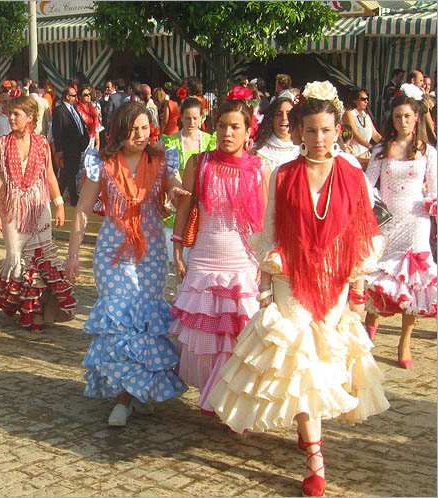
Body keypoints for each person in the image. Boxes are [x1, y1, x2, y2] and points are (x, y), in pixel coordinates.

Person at [207, 81, 389, 497]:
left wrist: (359, 295)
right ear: (298, 130)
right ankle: (314, 459)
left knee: (325, 365)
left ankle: (312, 444)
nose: (319, 139)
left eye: (326, 130)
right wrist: (267, 287)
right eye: (311, 131)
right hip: (291, 281)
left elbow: (361, 235)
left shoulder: (353, 173)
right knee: (300, 364)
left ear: (338, 129)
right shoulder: (285, 173)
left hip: (336, 282)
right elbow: (269, 230)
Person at [65, 101, 189, 426]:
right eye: (133, 128)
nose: (139, 134)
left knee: (146, 319)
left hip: (150, 250)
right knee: (120, 317)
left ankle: (138, 390)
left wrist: (175, 191)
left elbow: (173, 182)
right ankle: (123, 397)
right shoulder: (103, 163)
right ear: (119, 130)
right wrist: (73, 253)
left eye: (145, 128)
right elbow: (82, 210)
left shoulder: (161, 159)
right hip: (112, 250)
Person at [169, 96, 269, 415]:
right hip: (204, 260)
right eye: (223, 125)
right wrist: (178, 251)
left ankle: (230, 402)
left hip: (243, 263)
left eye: (235, 127)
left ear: (248, 131)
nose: (228, 133)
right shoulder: (198, 163)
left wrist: (267, 265)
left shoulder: (259, 168)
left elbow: (267, 221)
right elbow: (184, 209)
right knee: (207, 337)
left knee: (239, 337)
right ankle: (216, 398)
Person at [0, 96, 76, 331]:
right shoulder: (1, 144)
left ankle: (37, 312)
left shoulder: (42, 143)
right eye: (10, 113)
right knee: (17, 260)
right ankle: (23, 307)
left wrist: (58, 204)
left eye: (17, 114)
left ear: (30, 117)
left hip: (39, 209)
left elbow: (49, 174)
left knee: (42, 260)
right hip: (11, 210)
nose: (12, 118)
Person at [364, 84, 437, 367]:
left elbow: (433, 187)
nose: (402, 121)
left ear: (416, 117)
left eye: (406, 116)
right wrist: (375, 204)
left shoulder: (428, 152)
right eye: (397, 116)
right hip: (387, 221)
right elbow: (367, 185)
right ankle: (369, 330)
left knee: (413, 281)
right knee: (379, 277)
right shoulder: (381, 150)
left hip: (417, 221)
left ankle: (405, 340)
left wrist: (433, 202)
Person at [161, 97, 217, 261]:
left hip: (203, 204)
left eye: (195, 118)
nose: (191, 122)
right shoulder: (171, 142)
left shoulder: (210, 141)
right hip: (178, 202)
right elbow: (169, 171)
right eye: (187, 118)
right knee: (173, 260)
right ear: (181, 118)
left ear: (201, 117)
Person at [52, 87, 90, 206]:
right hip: (67, 148)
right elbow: (57, 131)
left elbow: (80, 126)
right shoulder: (60, 110)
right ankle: (73, 198)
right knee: (70, 173)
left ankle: (57, 196)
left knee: (66, 174)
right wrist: (59, 150)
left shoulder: (74, 109)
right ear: (67, 96)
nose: (76, 98)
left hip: (76, 147)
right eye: (73, 96)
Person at [252, 97, 300, 171]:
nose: (284, 118)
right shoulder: (256, 150)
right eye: (278, 114)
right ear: (272, 119)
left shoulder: (303, 151)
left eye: (289, 113)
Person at [342, 88, 382, 165]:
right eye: (363, 99)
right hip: (355, 156)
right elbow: (355, 135)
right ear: (354, 100)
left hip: (366, 155)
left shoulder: (366, 115)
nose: (366, 101)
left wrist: (388, 143)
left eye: (367, 99)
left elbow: (375, 135)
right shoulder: (349, 114)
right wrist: (371, 147)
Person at [76, 85, 100, 151]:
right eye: (86, 95)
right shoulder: (77, 110)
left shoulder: (93, 109)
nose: (89, 96)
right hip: (81, 141)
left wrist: (98, 143)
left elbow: (96, 127)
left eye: (89, 94)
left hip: (92, 139)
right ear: (80, 97)